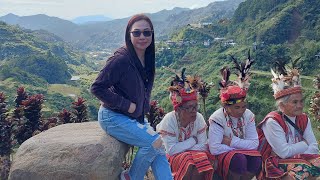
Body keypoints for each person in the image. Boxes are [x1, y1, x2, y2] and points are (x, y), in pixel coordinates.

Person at [90, 14, 172, 180]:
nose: (142, 37)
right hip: (113, 116)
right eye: (137, 33)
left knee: (159, 148)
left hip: (134, 117)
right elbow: (97, 87)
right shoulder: (120, 59)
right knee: (153, 142)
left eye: (146, 33)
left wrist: (141, 111)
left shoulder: (147, 56)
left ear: (152, 34)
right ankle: (131, 177)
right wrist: (127, 105)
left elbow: (145, 88)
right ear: (129, 34)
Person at [257, 66, 320, 180]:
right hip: (276, 163)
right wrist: (305, 144)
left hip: (301, 159)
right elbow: (284, 153)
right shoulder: (272, 121)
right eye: (295, 102)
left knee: (313, 165)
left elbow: (314, 147)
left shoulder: (304, 119)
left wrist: (298, 152)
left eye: (301, 101)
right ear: (282, 105)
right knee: (304, 169)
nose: (300, 105)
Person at [208, 54, 262, 180]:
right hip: (223, 155)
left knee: (256, 159)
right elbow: (214, 148)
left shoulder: (248, 115)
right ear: (226, 107)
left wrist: (231, 141)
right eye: (237, 108)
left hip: (234, 148)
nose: (241, 111)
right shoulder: (217, 118)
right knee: (239, 159)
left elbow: (254, 143)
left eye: (243, 106)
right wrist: (241, 146)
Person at [156, 70, 214, 180]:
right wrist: (193, 140)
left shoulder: (199, 118)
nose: (194, 111)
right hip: (169, 159)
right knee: (189, 160)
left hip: (192, 157)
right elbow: (171, 150)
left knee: (201, 158)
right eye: (189, 107)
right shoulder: (169, 120)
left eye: (195, 106)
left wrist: (183, 147)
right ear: (178, 110)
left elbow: (204, 146)